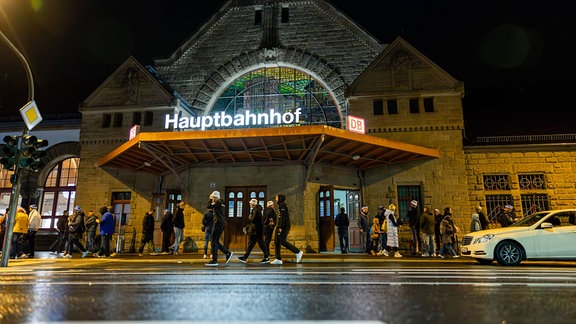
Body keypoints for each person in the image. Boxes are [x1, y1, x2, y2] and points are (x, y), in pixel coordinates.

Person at [270, 194, 303, 265]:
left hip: (283, 226)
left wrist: (280, 227)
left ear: (280, 198)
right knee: (277, 241)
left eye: (276, 198)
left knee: (281, 241)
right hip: (280, 225)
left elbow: (283, 217)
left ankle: (297, 252)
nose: (275, 199)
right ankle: (278, 258)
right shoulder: (281, 205)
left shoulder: (282, 205)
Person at [237, 199, 270, 264]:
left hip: (255, 230)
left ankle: (245, 257)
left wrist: (250, 217)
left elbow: (252, 219)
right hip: (257, 230)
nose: (250, 204)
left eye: (250, 203)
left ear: (253, 204)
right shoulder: (258, 209)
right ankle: (245, 257)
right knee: (255, 244)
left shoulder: (255, 210)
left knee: (255, 244)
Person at [205, 191, 233, 266]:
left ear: (215, 197)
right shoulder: (220, 202)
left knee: (213, 240)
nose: (212, 199)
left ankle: (215, 260)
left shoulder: (218, 202)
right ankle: (227, 253)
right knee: (215, 240)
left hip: (218, 223)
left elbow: (208, 206)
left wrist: (210, 200)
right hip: (219, 223)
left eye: (213, 197)